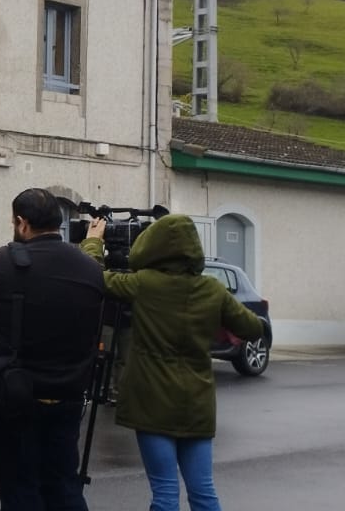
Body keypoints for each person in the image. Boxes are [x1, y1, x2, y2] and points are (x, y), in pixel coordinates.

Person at [81, 216, 262, 511]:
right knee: (203, 491)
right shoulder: (213, 290)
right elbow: (253, 327)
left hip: (152, 402)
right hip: (197, 403)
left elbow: (95, 278)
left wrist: (93, 242)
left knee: (165, 492)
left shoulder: (145, 284)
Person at [0, 189, 104, 511]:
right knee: (64, 486)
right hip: (69, 395)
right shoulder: (90, 268)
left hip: (14, 396)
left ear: (22, 223)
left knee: (20, 490)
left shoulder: (1, 262)